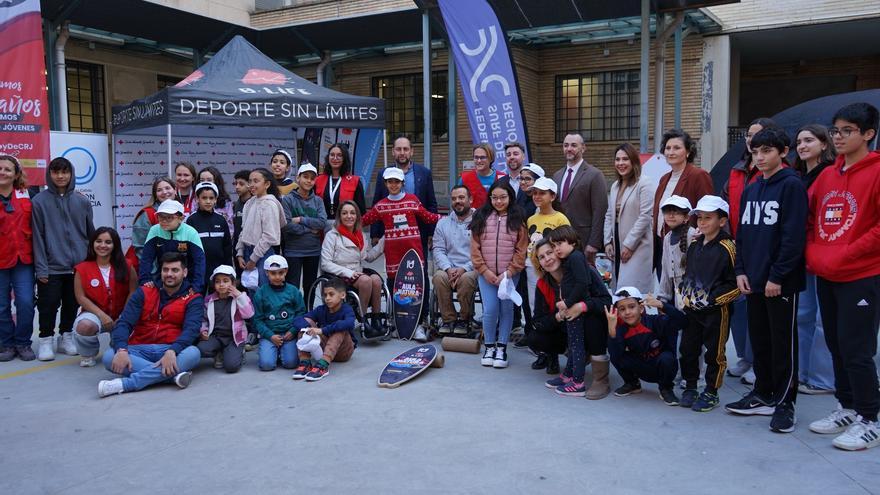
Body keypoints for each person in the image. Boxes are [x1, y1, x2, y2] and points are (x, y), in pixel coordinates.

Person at [806, 102, 880, 451]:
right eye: (835, 130)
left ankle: (870, 417)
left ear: (868, 134)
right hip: (827, 273)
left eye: (847, 131)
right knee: (834, 343)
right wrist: (815, 253)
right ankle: (847, 406)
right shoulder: (826, 175)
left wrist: (845, 252)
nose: (838, 137)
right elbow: (809, 218)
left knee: (857, 348)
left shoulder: (877, 172)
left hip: (862, 274)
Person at [727, 127, 808, 434]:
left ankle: (785, 401)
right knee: (759, 340)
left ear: (783, 152)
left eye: (767, 152)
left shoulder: (791, 186)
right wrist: (741, 270)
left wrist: (778, 276)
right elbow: (743, 235)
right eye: (756, 152)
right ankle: (763, 393)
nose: (760, 158)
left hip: (780, 282)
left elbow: (793, 237)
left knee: (782, 343)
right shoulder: (751, 188)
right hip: (754, 279)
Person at [97, 252, 203, 397]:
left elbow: (191, 330)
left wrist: (172, 351)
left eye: (175, 270)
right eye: (165, 270)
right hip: (139, 347)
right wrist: (121, 349)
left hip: (171, 348)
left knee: (193, 353)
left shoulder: (193, 298)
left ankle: (126, 384)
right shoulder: (145, 291)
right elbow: (124, 323)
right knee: (109, 356)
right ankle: (172, 377)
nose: (169, 274)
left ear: (184, 272)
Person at [722, 118, 778, 382]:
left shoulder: (777, 176)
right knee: (739, 308)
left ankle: (760, 361)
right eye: (748, 136)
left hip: (762, 253)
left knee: (761, 313)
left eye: (757, 136)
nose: (750, 141)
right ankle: (745, 358)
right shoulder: (737, 169)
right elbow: (725, 205)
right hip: (736, 247)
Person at [362, 167, 440, 342]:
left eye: (397, 181)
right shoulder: (381, 206)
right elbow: (363, 221)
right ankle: (397, 325)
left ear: (403, 183)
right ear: (385, 184)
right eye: (390, 182)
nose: (393, 185)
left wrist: (450, 218)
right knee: (394, 288)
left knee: (416, 289)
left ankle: (418, 324)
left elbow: (428, 217)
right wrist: (343, 224)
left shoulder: (413, 201)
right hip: (393, 256)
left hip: (414, 254)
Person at [677, 195, 739, 412]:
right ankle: (690, 386)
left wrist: (713, 300)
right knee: (688, 348)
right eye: (699, 217)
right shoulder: (695, 244)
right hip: (691, 310)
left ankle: (711, 391)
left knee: (715, 352)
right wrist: (684, 293)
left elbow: (735, 284)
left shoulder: (728, 247)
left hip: (716, 312)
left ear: (722, 221)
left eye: (708, 218)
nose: (702, 222)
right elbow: (688, 274)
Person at [31, 156, 95, 360]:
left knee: (71, 303)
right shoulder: (39, 202)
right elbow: (38, 238)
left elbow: (89, 233)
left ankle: (66, 337)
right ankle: (45, 340)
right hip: (51, 266)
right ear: (49, 175)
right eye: (56, 172)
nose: (60, 176)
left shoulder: (82, 200)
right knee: (48, 304)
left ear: (71, 174)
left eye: (64, 172)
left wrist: (89, 263)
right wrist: (41, 268)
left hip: (77, 266)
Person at [793, 124, 837, 395]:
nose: (802, 146)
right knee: (803, 317)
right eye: (799, 141)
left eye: (809, 140)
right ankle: (802, 373)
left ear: (824, 144)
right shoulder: (799, 177)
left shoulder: (830, 175)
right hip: (802, 256)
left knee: (823, 320)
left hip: (823, 256)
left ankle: (824, 380)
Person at [544, 226, 610, 398]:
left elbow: (582, 284)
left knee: (577, 345)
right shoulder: (570, 259)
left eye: (559, 244)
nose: (557, 249)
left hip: (585, 312)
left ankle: (578, 382)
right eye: (554, 245)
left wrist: (568, 302)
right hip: (574, 310)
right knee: (573, 345)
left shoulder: (576, 258)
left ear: (572, 242)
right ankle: (569, 375)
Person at [529, 239, 610, 377]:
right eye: (542, 257)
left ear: (558, 253)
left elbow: (607, 301)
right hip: (564, 329)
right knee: (535, 337)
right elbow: (538, 321)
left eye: (550, 252)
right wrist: (558, 316)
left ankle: (600, 378)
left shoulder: (585, 271)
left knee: (594, 320)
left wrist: (582, 306)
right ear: (539, 264)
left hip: (587, 326)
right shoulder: (542, 284)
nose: (547, 259)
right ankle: (554, 356)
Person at [470, 181, 527, 368]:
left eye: (503, 197)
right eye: (494, 197)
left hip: (509, 276)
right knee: (490, 310)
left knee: (506, 309)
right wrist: (484, 271)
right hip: (486, 275)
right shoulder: (481, 216)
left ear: (510, 197)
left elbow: (521, 250)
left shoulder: (518, 218)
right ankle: (489, 346)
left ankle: (501, 347)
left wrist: (509, 272)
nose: (499, 201)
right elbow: (475, 248)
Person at [606, 287, 686, 406]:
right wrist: (612, 329)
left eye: (632, 307)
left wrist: (661, 305)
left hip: (661, 367)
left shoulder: (656, 321)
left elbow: (683, 322)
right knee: (617, 356)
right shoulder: (621, 329)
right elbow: (616, 354)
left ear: (641, 308)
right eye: (622, 309)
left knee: (667, 358)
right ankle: (632, 383)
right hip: (641, 367)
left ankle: (666, 389)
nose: (627, 312)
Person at [72, 227, 137, 367]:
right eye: (98, 241)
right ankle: (88, 354)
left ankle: (117, 342)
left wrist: (125, 316)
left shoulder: (127, 265)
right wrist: (102, 315)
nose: (103, 245)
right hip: (96, 314)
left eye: (108, 242)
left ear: (115, 245)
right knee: (85, 326)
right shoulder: (82, 268)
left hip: (122, 315)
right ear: (92, 244)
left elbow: (133, 292)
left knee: (123, 348)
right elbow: (81, 297)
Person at [320, 200, 385, 338]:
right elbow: (325, 263)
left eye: (352, 213)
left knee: (376, 280)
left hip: (357, 271)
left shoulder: (360, 235)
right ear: (339, 216)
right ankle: (362, 319)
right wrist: (349, 273)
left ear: (357, 216)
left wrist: (384, 240)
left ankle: (376, 319)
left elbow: (367, 257)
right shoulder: (332, 236)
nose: (349, 216)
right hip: (339, 274)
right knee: (366, 281)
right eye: (344, 213)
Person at [652, 128, 714, 267]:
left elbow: (708, 209)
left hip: (686, 245)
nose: (670, 152)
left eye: (676, 148)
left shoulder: (698, 175)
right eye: (667, 148)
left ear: (687, 152)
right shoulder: (664, 179)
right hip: (662, 244)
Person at [370, 136, 437, 255]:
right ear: (392, 151)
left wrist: (432, 232)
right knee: (394, 270)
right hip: (391, 233)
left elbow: (431, 203)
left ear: (411, 151)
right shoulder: (383, 174)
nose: (402, 153)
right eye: (398, 149)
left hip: (419, 232)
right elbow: (376, 204)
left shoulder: (424, 173)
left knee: (420, 269)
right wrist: (375, 233)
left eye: (405, 149)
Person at [603, 143, 655, 293]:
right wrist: (607, 241)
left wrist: (629, 245)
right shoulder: (614, 186)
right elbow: (609, 214)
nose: (620, 163)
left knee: (633, 293)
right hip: (617, 244)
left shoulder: (644, 183)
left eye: (625, 159)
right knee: (619, 291)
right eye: (617, 159)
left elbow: (645, 216)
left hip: (637, 245)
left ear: (633, 161)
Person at [523, 177, 569, 346]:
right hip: (533, 268)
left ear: (553, 196)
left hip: (553, 270)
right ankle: (544, 351)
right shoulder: (530, 220)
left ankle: (557, 345)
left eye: (542, 193)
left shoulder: (560, 219)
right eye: (535, 193)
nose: (537, 196)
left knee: (555, 305)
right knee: (537, 306)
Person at [0, 155, 36, 362]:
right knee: (1, 306)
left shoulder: (27, 194)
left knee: (25, 302)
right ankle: (6, 343)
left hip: (24, 260)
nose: (2, 172)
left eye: (7, 169)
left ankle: (23, 342)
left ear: (16, 174)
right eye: (0, 168)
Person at [432, 185, 478, 337]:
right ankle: (448, 319)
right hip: (449, 268)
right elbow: (438, 249)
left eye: (461, 197)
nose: (457, 201)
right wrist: (448, 268)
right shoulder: (443, 223)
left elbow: (482, 251)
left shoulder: (480, 221)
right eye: (454, 199)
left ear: (470, 199)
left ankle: (464, 319)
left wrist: (464, 268)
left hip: (472, 268)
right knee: (438, 278)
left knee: (466, 279)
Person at [553, 133, 607, 261]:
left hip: (583, 240)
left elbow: (600, 211)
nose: (569, 148)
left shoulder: (595, 175)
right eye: (566, 145)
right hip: (559, 242)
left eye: (573, 145)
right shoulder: (557, 176)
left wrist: (594, 243)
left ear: (583, 148)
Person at [139, 199, 206, 294]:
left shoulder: (191, 232)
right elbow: (146, 258)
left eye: (169, 217)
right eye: (161, 217)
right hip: (163, 278)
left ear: (181, 218)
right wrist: (145, 279)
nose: (164, 221)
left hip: (188, 280)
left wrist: (196, 286)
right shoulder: (155, 230)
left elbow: (199, 262)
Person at [254, 255, 306, 371]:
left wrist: (293, 331)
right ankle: (268, 350)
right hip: (269, 334)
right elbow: (258, 319)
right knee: (266, 365)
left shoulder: (293, 291)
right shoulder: (261, 293)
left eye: (280, 273)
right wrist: (270, 336)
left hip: (288, 334)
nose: (277, 277)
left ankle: (278, 352)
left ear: (286, 272)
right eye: (273, 273)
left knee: (291, 363)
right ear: (267, 273)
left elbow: (301, 312)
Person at [236, 168, 286, 288]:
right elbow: (244, 230)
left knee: (263, 290)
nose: (252, 184)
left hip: (263, 253)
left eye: (256, 181)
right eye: (250, 181)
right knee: (251, 289)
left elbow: (269, 236)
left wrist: (253, 259)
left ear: (267, 184)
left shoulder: (269, 204)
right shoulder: (249, 203)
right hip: (249, 252)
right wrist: (240, 252)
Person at [198, 265, 254, 373]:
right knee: (200, 349)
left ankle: (238, 352)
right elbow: (203, 319)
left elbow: (249, 314)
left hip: (234, 338)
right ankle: (219, 352)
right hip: (216, 336)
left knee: (231, 367)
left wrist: (239, 295)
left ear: (233, 283)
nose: (221, 285)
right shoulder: (209, 300)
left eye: (225, 281)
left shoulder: (239, 298)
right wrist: (203, 330)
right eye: (218, 282)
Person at [280, 163, 327, 291]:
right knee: (292, 288)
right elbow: (286, 225)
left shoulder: (318, 201)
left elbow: (322, 222)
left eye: (312, 178)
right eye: (305, 177)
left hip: (313, 250)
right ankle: (295, 312)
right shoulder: (288, 200)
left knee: (310, 287)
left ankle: (309, 311)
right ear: (298, 178)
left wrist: (301, 219)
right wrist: (310, 229)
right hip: (293, 251)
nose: (309, 180)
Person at [185, 182, 233, 292]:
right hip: (197, 272)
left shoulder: (221, 220)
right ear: (197, 199)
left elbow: (227, 247)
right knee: (197, 299)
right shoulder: (191, 220)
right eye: (204, 198)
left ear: (216, 199)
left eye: (211, 198)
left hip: (218, 272)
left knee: (216, 301)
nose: (208, 201)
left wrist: (228, 270)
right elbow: (187, 249)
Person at [656, 195, 696, 311]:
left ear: (686, 217)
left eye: (676, 212)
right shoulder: (667, 238)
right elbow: (665, 270)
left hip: (692, 295)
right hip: (675, 295)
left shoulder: (692, 235)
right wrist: (662, 298)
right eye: (667, 212)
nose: (671, 216)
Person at [128, 176, 175, 270]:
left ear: (174, 190)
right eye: (159, 190)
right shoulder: (147, 214)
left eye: (167, 188)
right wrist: (153, 272)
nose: (165, 192)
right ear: (155, 194)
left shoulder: (182, 212)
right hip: (152, 271)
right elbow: (140, 247)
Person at [315, 143, 366, 219]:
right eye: (332, 155)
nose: (335, 158)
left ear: (344, 158)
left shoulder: (355, 181)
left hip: (346, 227)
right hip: (322, 227)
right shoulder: (318, 180)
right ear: (328, 157)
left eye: (339, 155)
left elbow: (361, 211)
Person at [460, 143, 507, 209]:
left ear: (491, 158)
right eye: (476, 157)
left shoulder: (502, 177)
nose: (479, 161)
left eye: (482, 157)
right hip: (473, 218)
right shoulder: (464, 179)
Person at [198, 166, 235, 235]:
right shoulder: (196, 201)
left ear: (216, 181)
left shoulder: (226, 203)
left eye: (209, 180)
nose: (205, 183)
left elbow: (230, 229)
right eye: (202, 180)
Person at [231, 169, 252, 260]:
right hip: (237, 248)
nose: (237, 187)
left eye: (241, 184)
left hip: (251, 248)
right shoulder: (235, 205)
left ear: (249, 185)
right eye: (236, 184)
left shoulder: (255, 203)